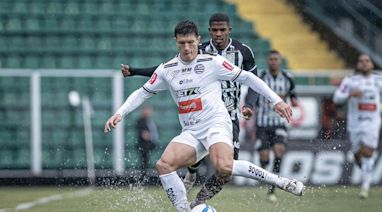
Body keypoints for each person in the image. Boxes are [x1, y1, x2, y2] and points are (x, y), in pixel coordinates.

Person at [105, 20, 304, 211]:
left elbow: (247, 77)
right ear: (176, 42)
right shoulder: (167, 70)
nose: (187, 47)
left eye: (191, 42)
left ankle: (281, 182)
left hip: (216, 124)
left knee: (224, 166)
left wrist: (276, 100)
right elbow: (142, 92)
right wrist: (120, 113)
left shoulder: (213, 62)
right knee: (164, 165)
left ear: (198, 40)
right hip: (191, 131)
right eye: (182, 43)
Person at [121, 13, 258, 193]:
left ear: (229, 30)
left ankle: (198, 198)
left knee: (226, 168)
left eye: (222, 30)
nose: (218, 34)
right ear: (209, 31)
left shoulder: (243, 52)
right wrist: (135, 71)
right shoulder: (197, 49)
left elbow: (254, 80)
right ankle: (193, 179)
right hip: (202, 114)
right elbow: (168, 69)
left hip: (229, 115)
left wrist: (249, 104)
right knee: (198, 149)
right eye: (214, 30)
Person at [333, 54, 382, 199]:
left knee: (368, 152)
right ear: (357, 65)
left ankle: (365, 188)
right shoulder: (350, 81)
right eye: (361, 61)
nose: (364, 63)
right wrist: (350, 94)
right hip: (355, 123)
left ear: (372, 64)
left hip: (373, 121)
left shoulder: (379, 79)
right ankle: (365, 169)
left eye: (367, 61)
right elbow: (337, 97)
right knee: (357, 154)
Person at [244, 49, 299, 202]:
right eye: (271, 59)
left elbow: (294, 97)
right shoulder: (260, 77)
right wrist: (251, 108)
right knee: (264, 157)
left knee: (279, 150)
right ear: (268, 61)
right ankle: (265, 169)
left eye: (276, 59)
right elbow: (252, 94)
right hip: (262, 124)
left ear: (280, 61)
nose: (273, 62)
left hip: (279, 124)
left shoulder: (288, 78)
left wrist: (294, 102)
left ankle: (272, 188)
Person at [135, 106, 158, 172]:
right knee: (144, 161)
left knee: (146, 161)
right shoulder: (140, 120)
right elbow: (142, 133)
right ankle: (144, 174)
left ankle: (146, 173)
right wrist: (147, 135)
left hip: (149, 144)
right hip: (144, 145)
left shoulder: (149, 120)